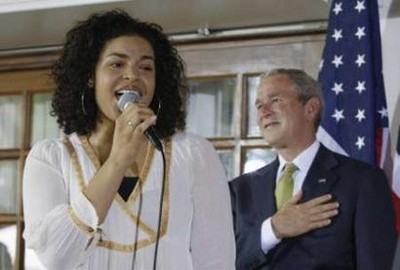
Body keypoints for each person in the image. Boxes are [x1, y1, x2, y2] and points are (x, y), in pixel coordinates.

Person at [22, 9, 235, 270]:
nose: (133, 75)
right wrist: (119, 158)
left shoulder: (193, 153)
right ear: (90, 76)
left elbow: (216, 259)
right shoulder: (51, 158)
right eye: (117, 64)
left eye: (146, 67)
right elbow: (56, 257)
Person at [229, 68, 397, 269]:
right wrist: (273, 230)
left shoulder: (361, 181)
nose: (264, 111)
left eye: (275, 100)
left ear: (310, 109)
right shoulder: (240, 190)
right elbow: (221, 261)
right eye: (259, 105)